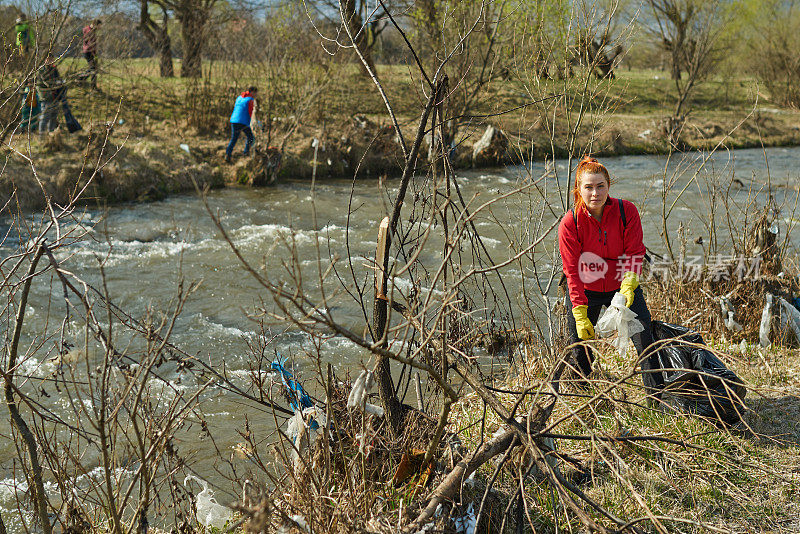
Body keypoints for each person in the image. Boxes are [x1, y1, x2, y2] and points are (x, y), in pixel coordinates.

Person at [558, 156, 663, 398]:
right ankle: (584, 398)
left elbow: (636, 252)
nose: (595, 193)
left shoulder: (627, 211)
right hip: (586, 289)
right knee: (579, 346)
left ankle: (656, 399)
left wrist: (628, 285)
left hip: (622, 285)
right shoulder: (570, 223)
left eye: (600, 186)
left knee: (645, 340)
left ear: (609, 186)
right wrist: (579, 311)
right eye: (588, 187)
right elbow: (571, 270)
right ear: (578, 189)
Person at [37, 55, 82, 134]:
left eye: (52, 59)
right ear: (45, 59)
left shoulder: (54, 69)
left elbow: (58, 79)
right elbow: (42, 83)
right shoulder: (42, 70)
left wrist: (61, 83)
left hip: (56, 96)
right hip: (46, 96)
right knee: (45, 117)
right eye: (49, 59)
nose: (51, 61)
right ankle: (42, 136)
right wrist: (54, 83)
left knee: (54, 116)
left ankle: (51, 134)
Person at [225, 86, 258, 163]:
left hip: (234, 120)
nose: (256, 95)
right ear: (252, 92)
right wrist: (254, 122)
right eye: (255, 93)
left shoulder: (239, 98)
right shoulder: (251, 100)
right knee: (250, 137)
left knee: (234, 139)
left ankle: (228, 155)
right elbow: (251, 112)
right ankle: (246, 153)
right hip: (243, 121)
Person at [82, 19, 101, 88]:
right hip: (88, 52)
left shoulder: (93, 31)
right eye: (99, 26)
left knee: (93, 68)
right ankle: (92, 86)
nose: (99, 28)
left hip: (93, 52)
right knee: (93, 69)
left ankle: (82, 79)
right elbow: (89, 43)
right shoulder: (88, 31)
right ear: (95, 24)